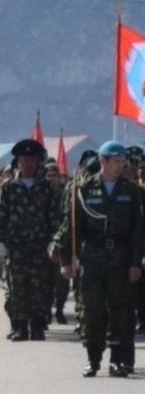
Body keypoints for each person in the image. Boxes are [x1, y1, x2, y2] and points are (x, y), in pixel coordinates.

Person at [53, 141, 145, 377]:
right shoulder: (83, 189)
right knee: (93, 311)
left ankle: (117, 360)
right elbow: (71, 227)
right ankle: (93, 358)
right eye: (116, 161)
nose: (121, 166)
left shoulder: (131, 191)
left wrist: (136, 262)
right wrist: (65, 259)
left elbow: (138, 230)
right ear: (103, 161)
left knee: (120, 311)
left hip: (121, 259)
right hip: (92, 259)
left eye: (123, 161)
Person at [0, 139, 60, 340]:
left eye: (31, 159)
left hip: (39, 245)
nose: (28, 163)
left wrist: (53, 240)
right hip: (15, 246)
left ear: (37, 162)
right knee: (18, 286)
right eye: (24, 159)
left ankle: (37, 326)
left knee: (39, 286)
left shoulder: (46, 188)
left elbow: (53, 216)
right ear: (18, 161)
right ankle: (20, 327)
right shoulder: (8, 187)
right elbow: (1, 214)